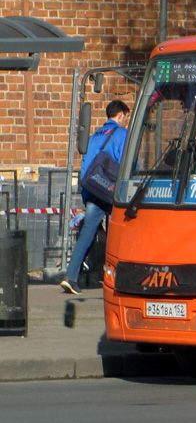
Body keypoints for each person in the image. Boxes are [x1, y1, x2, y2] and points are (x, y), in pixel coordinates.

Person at [61, 100, 129, 295]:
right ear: (120, 115)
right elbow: (131, 165)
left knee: (87, 233)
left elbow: (85, 171)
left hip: (95, 191)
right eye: (126, 117)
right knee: (123, 234)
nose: (126, 121)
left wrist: (87, 196)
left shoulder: (93, 137)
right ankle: (121, 279)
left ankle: (70, 277)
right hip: (115, 192)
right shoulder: (123, 136)